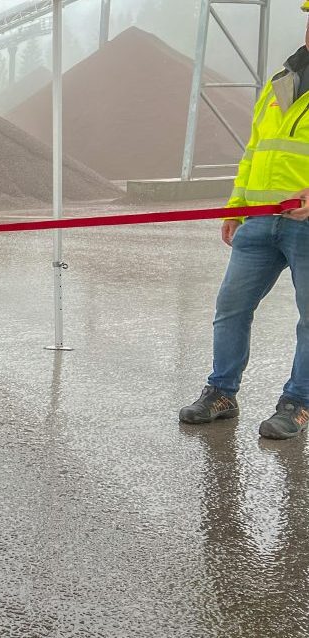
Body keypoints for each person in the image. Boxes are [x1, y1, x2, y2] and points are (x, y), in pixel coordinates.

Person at [180, 1, 309, 440]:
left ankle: (298, 403)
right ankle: (221, 392)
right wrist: (236, 207)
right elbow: (254, 151)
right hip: (258, 222)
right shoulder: (280, 82)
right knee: (231, 308)